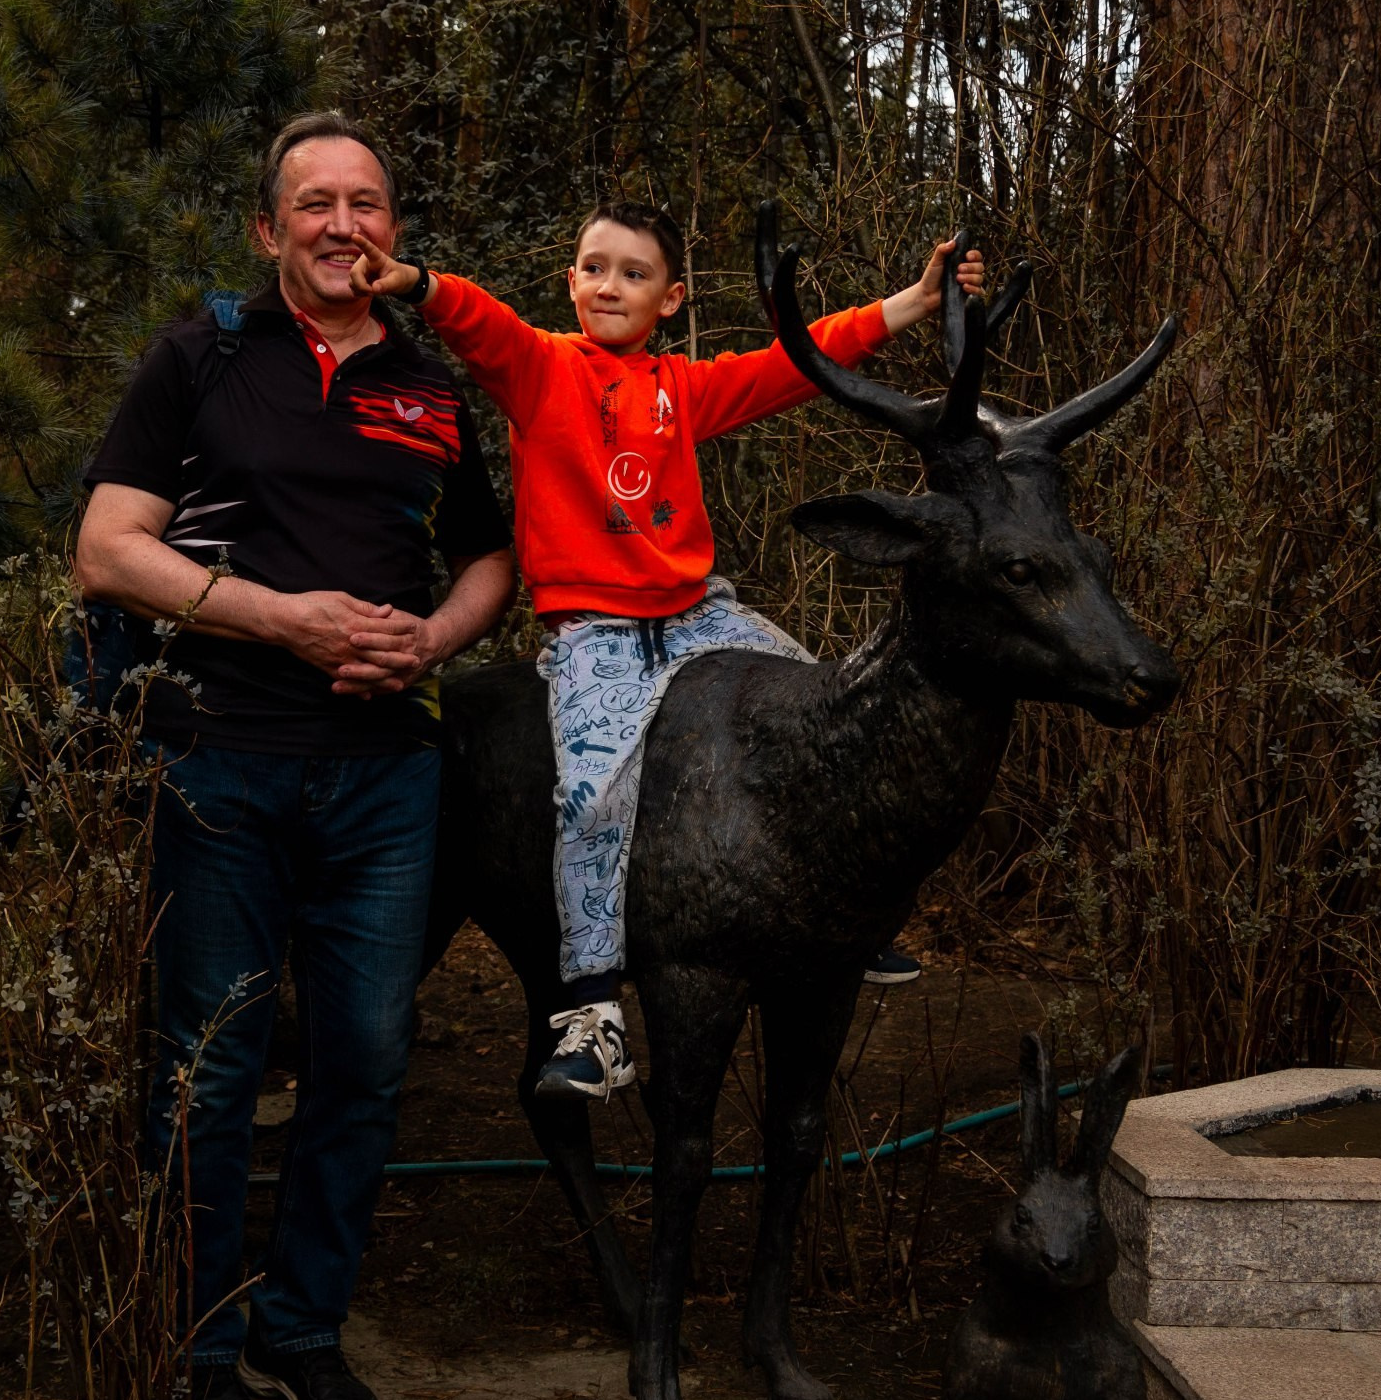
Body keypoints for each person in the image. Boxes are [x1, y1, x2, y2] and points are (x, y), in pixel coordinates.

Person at [73, 113, 516, 1400]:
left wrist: (432, 638)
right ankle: (200, 1340)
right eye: (314, 202)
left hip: (387, 780)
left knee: (363, 1060)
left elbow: (491, 560)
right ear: (270, 229)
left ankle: (302, 1330)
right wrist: (284, 621)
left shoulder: (431, 388)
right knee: (209, 1062)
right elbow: (107, 548)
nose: (342, 223)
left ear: (393, 229)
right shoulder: (200, 357)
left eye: (365, 202)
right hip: (222, 759)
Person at [351, 203, 977, 1100]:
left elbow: (794, 362)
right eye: (594, 268)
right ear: (570, 282)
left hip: (695, 614)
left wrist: (912, 302)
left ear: (672, 299)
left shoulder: (683, 388)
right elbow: (479, 320)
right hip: (595, 632)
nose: (609, 286)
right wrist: (417, 283)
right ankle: (594, 1013)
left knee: (817, 700)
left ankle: (844, 918)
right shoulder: (541, 368)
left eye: (634, 273)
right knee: (591, 792)